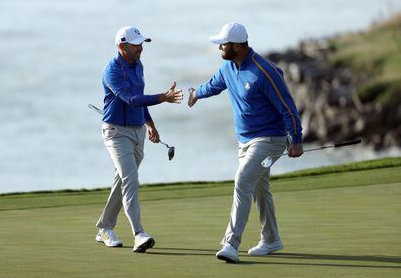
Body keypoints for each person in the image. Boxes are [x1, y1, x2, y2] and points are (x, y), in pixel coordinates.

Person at [188, 23, 303, 262]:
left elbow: (287, 107)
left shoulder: (265, 71)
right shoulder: (228, 67)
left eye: (224, 43)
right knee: (260, 190)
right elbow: (213, 85)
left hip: (270, 139)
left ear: (238, 45)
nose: (220, 46)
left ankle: (230, 243)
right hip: (245, 141)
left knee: (242, 181)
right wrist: (195, 93)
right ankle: (271, 239)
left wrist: (296, 139)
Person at [95, 26, 183, 253]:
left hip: (137, 132)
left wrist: (150, 125)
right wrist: (163, 97)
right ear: (121, 46)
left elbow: (140, 102)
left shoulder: (138, 66)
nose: (141, 48)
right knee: (130, 179)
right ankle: (139, 234)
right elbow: (132, 99)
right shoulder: (112, 71)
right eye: (136, 44)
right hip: (116, 133)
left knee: (123, 179)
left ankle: (104, 227)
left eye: (141, 43)